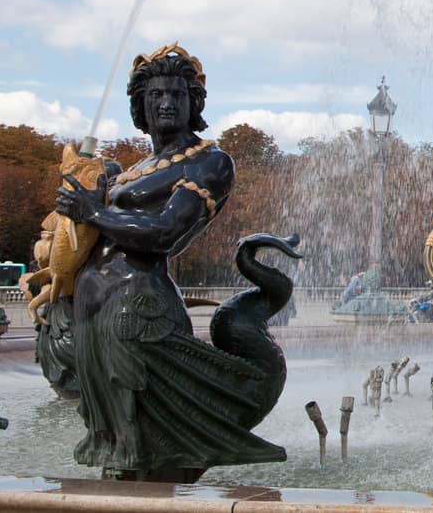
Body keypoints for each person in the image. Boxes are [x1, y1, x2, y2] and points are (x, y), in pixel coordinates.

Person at [54, 44, 295, 481]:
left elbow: (167, 233)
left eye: (177, 95)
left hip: (137, 311)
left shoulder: (210, 162)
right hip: (94, 310)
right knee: (119, 447)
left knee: (152, 450)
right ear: (140, 106)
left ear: (194, 104)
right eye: (156, 95)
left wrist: (91, 212)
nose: (166, 103)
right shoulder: (135, 169)